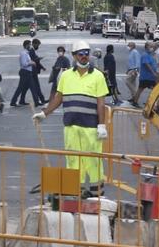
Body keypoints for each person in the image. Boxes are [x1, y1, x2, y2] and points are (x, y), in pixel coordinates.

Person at [33, 40, 110, 196]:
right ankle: (76, 193)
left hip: (91, 127)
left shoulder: (98, 76)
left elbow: (101, 103)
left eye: (86, 53)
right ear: (74, 56)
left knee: (93, 160)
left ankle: (97, 194)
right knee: (73, 160)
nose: (84, 56)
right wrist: (44, 113)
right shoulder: (66, 76)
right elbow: (58, 98)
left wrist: (102, 125)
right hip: (71, 126)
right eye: (80, 54)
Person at [132, 41, 159, 108]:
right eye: (151, 47)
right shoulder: (145, 55)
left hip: (149, 77)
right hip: (146, 77)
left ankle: (145, 102)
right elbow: (147, 65)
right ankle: (137, 102)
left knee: (149, 90)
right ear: (147, 47)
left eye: (153, 47)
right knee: (153, 90)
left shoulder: (150, 55)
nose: (152, 48)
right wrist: (154, 73)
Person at [11, 39, 34, 106]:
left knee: (25, 87)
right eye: (30, 45)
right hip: (25, 72)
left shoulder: (26, 53)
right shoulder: (24, 53)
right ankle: (13, 101)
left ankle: (22, 100)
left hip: (27, 72)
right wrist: (31, 63)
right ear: (26, 45)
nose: (31, 46)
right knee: (20, 87)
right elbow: (24, 64)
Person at [29, 38, 48, 107]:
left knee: (23, 88)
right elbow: (32, 60)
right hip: (31, 71)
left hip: (32, 71)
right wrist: (38, 59)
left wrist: (42, 67)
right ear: (34, 44)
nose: (38, 47)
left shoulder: (32, 51)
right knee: (36, 86)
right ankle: (38, 101)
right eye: (37, 45)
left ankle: (41, 100)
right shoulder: (31, 51)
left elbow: (36, 61)